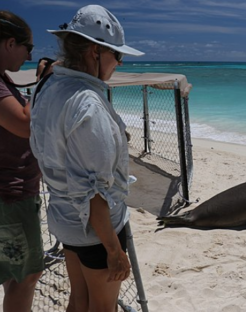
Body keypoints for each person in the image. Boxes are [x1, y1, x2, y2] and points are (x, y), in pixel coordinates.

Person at [29, 5, 144, 312]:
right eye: (116, 55)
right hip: (95, 230)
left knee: (79, 300)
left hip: (65, 220)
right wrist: (114, 250)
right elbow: (93, 191)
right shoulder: (88, 104)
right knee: (103, 306)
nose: (118, 63)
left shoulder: (49, 87)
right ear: (95, 51)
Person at [0, 10, 44, 312]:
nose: (30, 56)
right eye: (29, 48)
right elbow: (25, 125)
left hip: (10, 195)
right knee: (25, 276)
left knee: (11, 273)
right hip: (11, 197)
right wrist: (43, 83)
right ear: (10, 43)